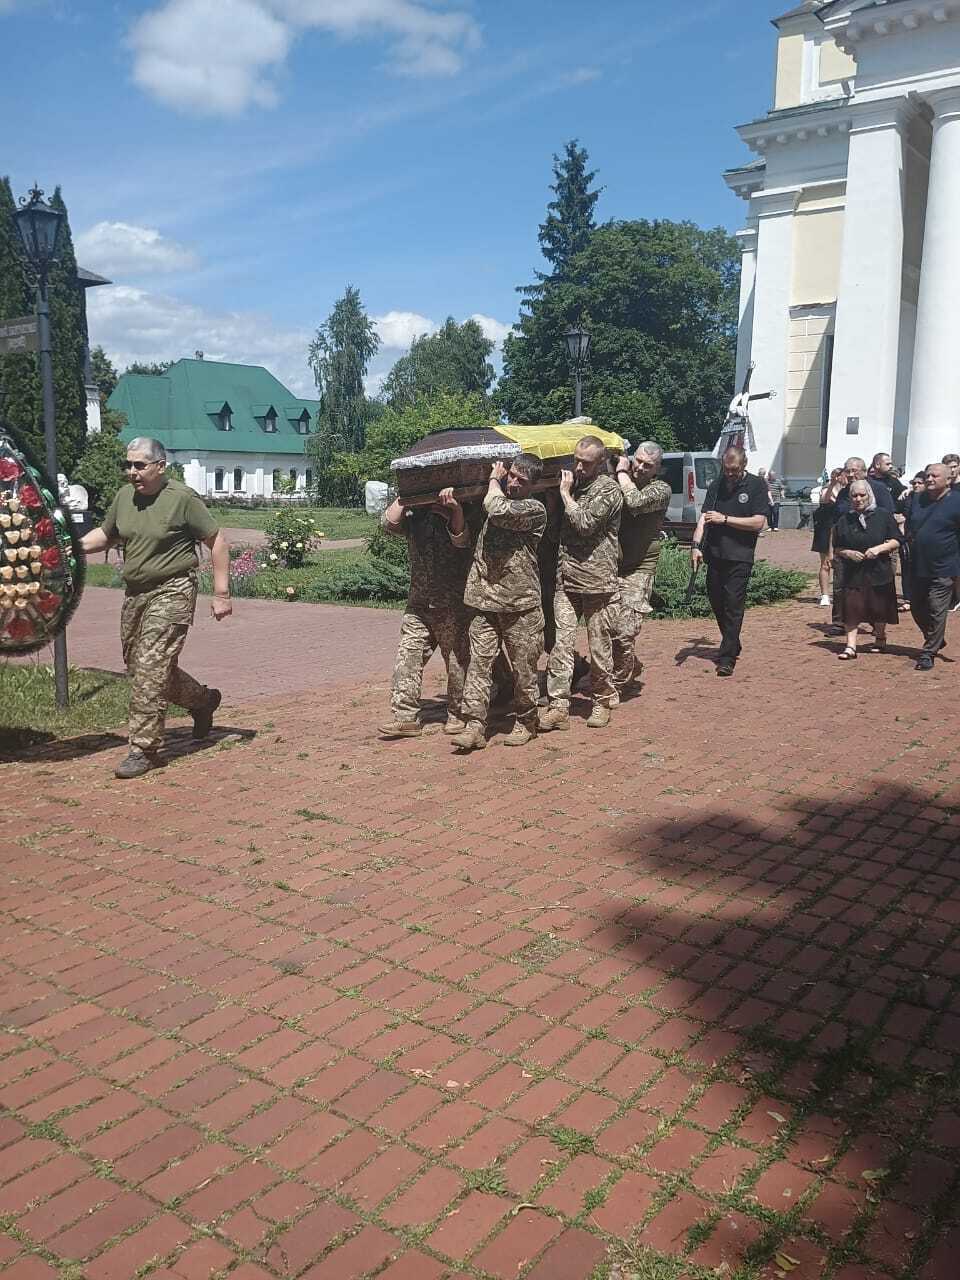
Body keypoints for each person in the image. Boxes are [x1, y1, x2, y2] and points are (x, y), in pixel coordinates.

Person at [80, 438, 231, 779]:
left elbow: (217, 542)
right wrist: (70, 547)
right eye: (128, 465)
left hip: (173, 589)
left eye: (140, 465)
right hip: (136, 593)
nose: (132, 472)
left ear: (160, 466)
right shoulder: (124, 497)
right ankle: (203, 701)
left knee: (151, 666)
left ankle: (143, 749)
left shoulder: (182, 498)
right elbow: (106, 535)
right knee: (142, 667)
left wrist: (221, 593)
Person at [451, 456, 547, 751]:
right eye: (512, 475)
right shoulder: (492, 499)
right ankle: (474, 726)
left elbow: (496, 508)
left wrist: (494, 478)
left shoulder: (534, 509)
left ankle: (526, 721)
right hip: (484, 600)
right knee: (479, 665)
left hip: (520, 604)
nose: (513, 483)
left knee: (523, 668)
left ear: (533, 486)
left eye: (522, 480)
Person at [540, 436, 623, 731]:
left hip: (597, 583)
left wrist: (564, 495)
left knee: (599, 647)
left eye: (585, 463)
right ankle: (558, 706)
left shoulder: (608, 490)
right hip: (567, 580)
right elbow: (556, 535)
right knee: (561, 645)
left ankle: (602, 701)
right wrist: (554, 501)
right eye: (576, 460)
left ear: (600, 463)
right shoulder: (575, 487)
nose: (578, 467)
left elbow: (586, 524)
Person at [378, 489, 474, 739]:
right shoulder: (415, 516)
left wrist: (454, 509)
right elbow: (387, 523)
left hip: (451, 603)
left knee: (457, 661)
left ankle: (458, 713)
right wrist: (407, 494)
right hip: (419, 603)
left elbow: (462, 539)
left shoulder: (466, 507)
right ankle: (405, 717)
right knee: (408, 656)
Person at [690, 446, 768, 676]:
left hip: (740, 556)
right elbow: (704, 518)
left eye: (734, 470)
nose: (730, 474)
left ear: (744, 465)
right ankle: (732, 642)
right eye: (726, 469)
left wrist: (725, 519)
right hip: (715, 554)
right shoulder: (717, 485)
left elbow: (759, 522)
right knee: (717, 602)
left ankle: (726, 658)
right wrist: (695, 546)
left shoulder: (756, 485)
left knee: (733, 605)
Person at [610, 441, 672, 692]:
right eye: (638, 461)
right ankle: (629, 664)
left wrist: (621, 472)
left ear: (657, 469)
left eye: (648, 465)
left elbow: (635, 503)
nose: (640, 468)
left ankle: (617, 683)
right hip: (613, 565)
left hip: (640, 567)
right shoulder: (615, 481)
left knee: (625, 629)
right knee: (608, 627)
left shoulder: (661, 489)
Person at [820, 456, 896, 631]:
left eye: (854, 470)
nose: (850, 474)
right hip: (845, 549)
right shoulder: (843, 493)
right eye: (847, 471)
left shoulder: (879, 489)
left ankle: (875, 622)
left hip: (873, 550)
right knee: (841, 586)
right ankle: (840, 622)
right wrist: (831, 552)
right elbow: (835, 524)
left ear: (864, 471)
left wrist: (885, 546)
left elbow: (888, 518)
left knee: (873, 587)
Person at [831, 480, 901, 659]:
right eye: (854, 495)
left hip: (879, 569)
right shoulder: (845, 520)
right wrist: (848, 553)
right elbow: (837, 547)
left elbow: (897, 540)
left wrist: (879, 549)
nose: (858, 499)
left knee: (879, 607)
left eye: (862, 495)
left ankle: (880, 637)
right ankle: (850, 647)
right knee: (852, 607)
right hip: (853, 572)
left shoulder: (883, 515)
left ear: (869, 495)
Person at [907, 462, 960, 670]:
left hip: (944, 566)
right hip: (917, 564)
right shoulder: (917, 499)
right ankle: (935, 638)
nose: (929, 479)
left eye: (935, 476)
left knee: (936, 608)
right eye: (927, 475)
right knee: (917, 607)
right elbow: (910, 525)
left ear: (948, 480)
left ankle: (928, 653)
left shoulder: (957, 501)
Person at [812, 467, 844, 607]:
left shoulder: (848, 490)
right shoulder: (827, 489)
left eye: (840, 475)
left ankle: (841, 592)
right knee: (825, 563)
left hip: (841, 529)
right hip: (825, 529)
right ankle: (824, 595)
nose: (838, 477)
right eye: (835, 475)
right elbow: (825, 500)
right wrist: (832, 484)